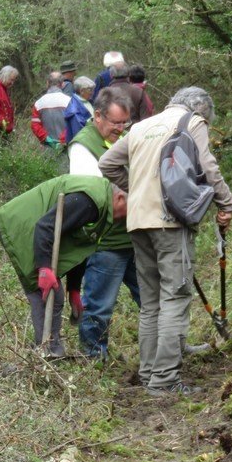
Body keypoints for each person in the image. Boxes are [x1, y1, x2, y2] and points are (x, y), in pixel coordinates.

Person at [99, 87, 232, 396]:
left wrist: (137, 190)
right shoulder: (191, 122)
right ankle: (164, 380)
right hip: (169, 222)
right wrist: (226, 204)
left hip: (137, 222)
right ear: (199, 110)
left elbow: (107, 163)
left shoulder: (142, 126)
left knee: (151, 303)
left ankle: (149, 373)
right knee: (175, 297)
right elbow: (208, 166)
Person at [0, 175, 129, 357]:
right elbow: (45, 226)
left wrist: (73, 288)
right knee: (47, 292)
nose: (131, 218)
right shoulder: (90, 200)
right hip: (23, 225)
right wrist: (44, 268)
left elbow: (79, 246)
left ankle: (49, 349)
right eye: (133, 210)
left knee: (55, 294)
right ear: (120, 198)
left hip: (38, 228)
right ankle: (47, 353)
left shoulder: (103, 206)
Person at [68, 89, 141, 357]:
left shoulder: (122, 139)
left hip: (133, 235)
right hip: (106, 242)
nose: (121, 129)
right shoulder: (82, 147)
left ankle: (168, 348)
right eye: (115, 123)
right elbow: (94, 197)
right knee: (99, 306)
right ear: (98, 116)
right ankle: (94, 358)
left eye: (125, 123)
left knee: (151, 297)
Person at [30, 71, 71, 150]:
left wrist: (46, 139)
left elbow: (35, 125)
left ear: (47, 83)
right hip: (67, 146)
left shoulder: (39, 103)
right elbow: (73, 123)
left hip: (47, 148)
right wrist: (63, 139)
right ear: (62, 84)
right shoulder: (70, 101)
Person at [64, 76, 95, 143]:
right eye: (90, 90)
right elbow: (79, 133)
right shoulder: (74, 109)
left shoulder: (88, 101)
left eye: (93, 89)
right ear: (81, 91)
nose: (92, 92)